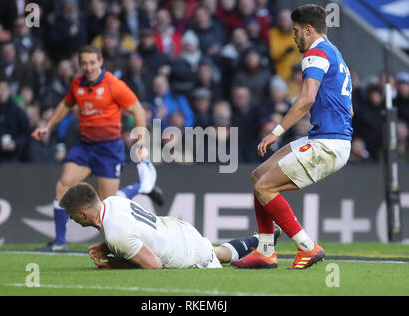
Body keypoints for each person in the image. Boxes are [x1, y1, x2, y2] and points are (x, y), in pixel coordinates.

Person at [231, 4, 354, 270]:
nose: (293, 37)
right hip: (329, 138)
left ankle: (307, 247)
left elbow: (306, 99)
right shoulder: (335, 53)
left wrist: (275, 132)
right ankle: (265, 251)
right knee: (258, 177)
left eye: (296, 31)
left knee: (265, 187)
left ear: (308, 30)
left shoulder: (315, 53)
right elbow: (349, 107)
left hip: (327, 143)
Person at [32, 45, 162, 252]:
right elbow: (66, 104)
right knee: (62, 187)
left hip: (109, 149)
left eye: (92, 62)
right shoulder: (77, 85)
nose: (89, 67)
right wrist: (47, 126)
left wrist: (140, 142)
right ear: (80, 64)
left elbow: (137, 109)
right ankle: (59, 242)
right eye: (84, 63)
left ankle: (142, 187)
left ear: (100, 62)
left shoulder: (113, 85)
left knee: (108, 205)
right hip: (84, 147)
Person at [60, 182, 282, 269]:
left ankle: (264, 246)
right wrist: (107, 247)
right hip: (178, 230)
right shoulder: (112, 202)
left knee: (228, 265)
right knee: (220, 252)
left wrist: (113, 264)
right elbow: (133, 230)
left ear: (83, 214)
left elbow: (154, 265)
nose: (72, 220)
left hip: (185, 255)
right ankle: (265, 239)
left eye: (72, 216)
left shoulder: (116, 233)